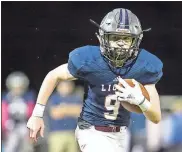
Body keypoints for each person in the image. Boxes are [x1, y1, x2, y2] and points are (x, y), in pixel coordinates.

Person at [27, 8, 163, 152]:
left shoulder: (144, 66)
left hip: (121, 134)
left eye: (126, 38)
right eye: (115, 38)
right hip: (92, 131)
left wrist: (141, 101)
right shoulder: (90, 59)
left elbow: (156, 117)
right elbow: (53, 75)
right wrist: (36, 114)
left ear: (136, 40)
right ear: (103, 38)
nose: (121, 43)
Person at [2, 71, 35, 152]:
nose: (17, 89)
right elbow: (3, 114)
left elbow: (32, 113)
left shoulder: (28, 97)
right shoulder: (6, 97)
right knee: (10, 147)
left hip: (25, 126)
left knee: (27, 148)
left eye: (20, 87)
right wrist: (5, 126)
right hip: (11, 127)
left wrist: (31, 129)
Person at [47, 81, 82, 152]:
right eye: (63, 85)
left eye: (68, 85)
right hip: (57, 134)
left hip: (73, 133)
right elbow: (55, 114)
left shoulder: (76, 98)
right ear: (58, 87)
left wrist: (63, 108)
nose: (66, 88)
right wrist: (72, 109)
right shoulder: (54, 98)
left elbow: (80, 112)